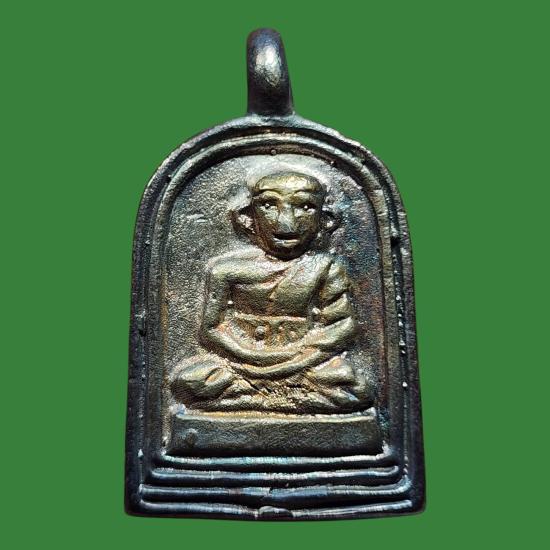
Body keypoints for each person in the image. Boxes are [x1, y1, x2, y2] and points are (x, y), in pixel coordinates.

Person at [170, 172, 373, 413]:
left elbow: (342, 327)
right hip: (240, 363)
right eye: (268, 205)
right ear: (247, 217)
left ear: (325, 219)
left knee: (358, 388)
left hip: (304, 363)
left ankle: (252, 399)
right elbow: (211, 330)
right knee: (189, 382)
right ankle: (286, 399)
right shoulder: (225, 269)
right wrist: (250, 356)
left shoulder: (326, 267)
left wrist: (295, 359)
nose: (286, 222)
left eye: (305, 207)